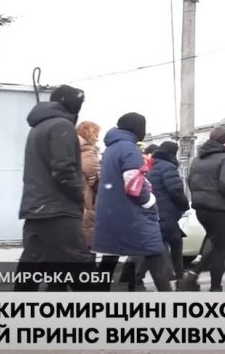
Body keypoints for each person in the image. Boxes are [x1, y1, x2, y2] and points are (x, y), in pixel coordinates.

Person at [15, 85, 93, 292]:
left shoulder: (37, 128)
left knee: (33, 265)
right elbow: (64, 169)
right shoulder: (62, 126)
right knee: (79, 263)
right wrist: (78, 196)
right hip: (58, 209)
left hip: (36, 208)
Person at [92, 113, 172, 292]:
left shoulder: (111, 148)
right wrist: (148, 200)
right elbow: (133, 182)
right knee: (155, 251)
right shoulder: (129, 148)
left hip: (111, 210)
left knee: (110, 254)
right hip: (132, 213)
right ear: (137, 128)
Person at [178, 127, 225, 292]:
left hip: (201, 209)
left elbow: (190, 181)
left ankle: (193, 276)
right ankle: (213, 287)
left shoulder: (197, 160)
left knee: (213, 242)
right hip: (219, 209)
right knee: (220, 250)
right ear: (224, 141)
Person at [146, 141, 191, 280]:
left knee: (164, 243)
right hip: (167, 212)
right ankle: (178, 275)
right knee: (175, 242)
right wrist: (185, 205)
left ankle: (171, 273)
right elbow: (176, 190)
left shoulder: (153, 167)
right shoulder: (168, 167)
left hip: (156, 211)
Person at [76, 121, 101, 252]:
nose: (97, 138)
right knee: (88, 238)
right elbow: (96, 178)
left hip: (79, 197)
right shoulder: (87, 151)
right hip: (88, 199)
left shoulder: (75, 149)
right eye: (96, 134)